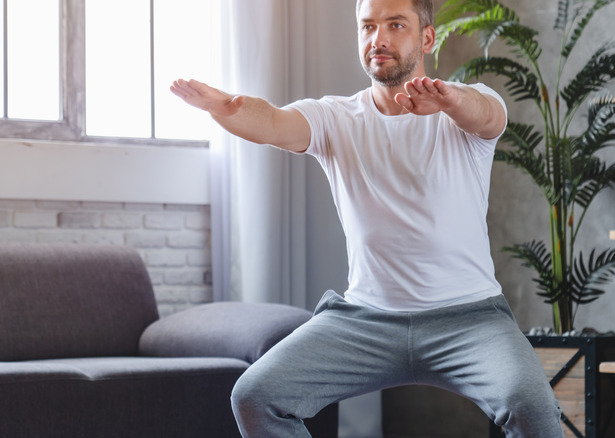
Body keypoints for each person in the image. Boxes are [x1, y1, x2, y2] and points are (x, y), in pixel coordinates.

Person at [170, 0, 564, 436]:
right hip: (365, 322)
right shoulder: (335, 118)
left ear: (427, 37)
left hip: (469, 320)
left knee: (533, 405)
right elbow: (274, 122)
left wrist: (451, 100)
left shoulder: (463, 111)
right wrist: (227, 108)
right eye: (368, 26)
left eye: (396, 25)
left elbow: (487, 114)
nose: (378, 39)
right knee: (256, 396)